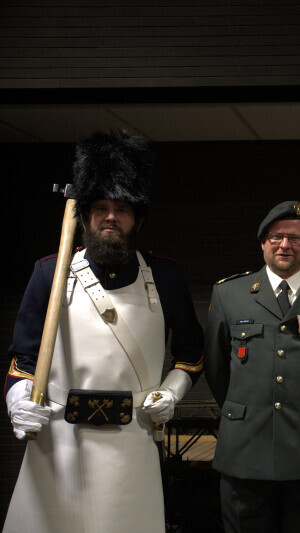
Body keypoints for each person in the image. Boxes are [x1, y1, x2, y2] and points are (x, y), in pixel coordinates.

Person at [3, 130, 205, 533]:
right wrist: (18, 399)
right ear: (85, 216)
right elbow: (23, 358)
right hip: (59, 442)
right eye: (100, 207)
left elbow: (191, 352)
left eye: (122, 209)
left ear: (137, 218)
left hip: (132, 439)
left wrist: (171, 392)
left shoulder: (165, 276)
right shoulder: (49, 272)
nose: (111, 217)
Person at [204, 200, 300, 533]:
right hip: (245, 448)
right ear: (263, 243)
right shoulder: (229, 293)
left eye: (295, 238)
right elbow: (216, 369)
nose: (285, 245)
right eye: (276, 237)